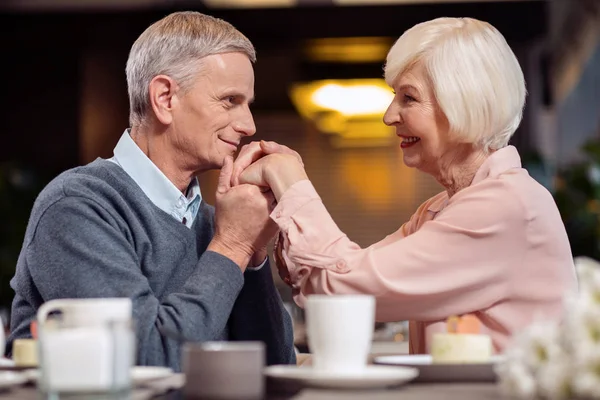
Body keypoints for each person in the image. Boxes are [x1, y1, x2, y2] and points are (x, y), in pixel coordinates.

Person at [232, 17, 577, 354]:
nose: (389, 116)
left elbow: (348, 289)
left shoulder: (507, 206)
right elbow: (332, 279)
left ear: (462, 102)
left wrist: (291, 181)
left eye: (408, 98)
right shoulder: (440, 209)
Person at [6, 11, 296, 370]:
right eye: (229, 100)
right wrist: (233, 246)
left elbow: (275, 366)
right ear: (164, 98)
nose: (248, 124)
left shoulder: (215, 222)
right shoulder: (76, 207)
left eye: (247, 104)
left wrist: (253, 253)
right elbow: (146, 361)